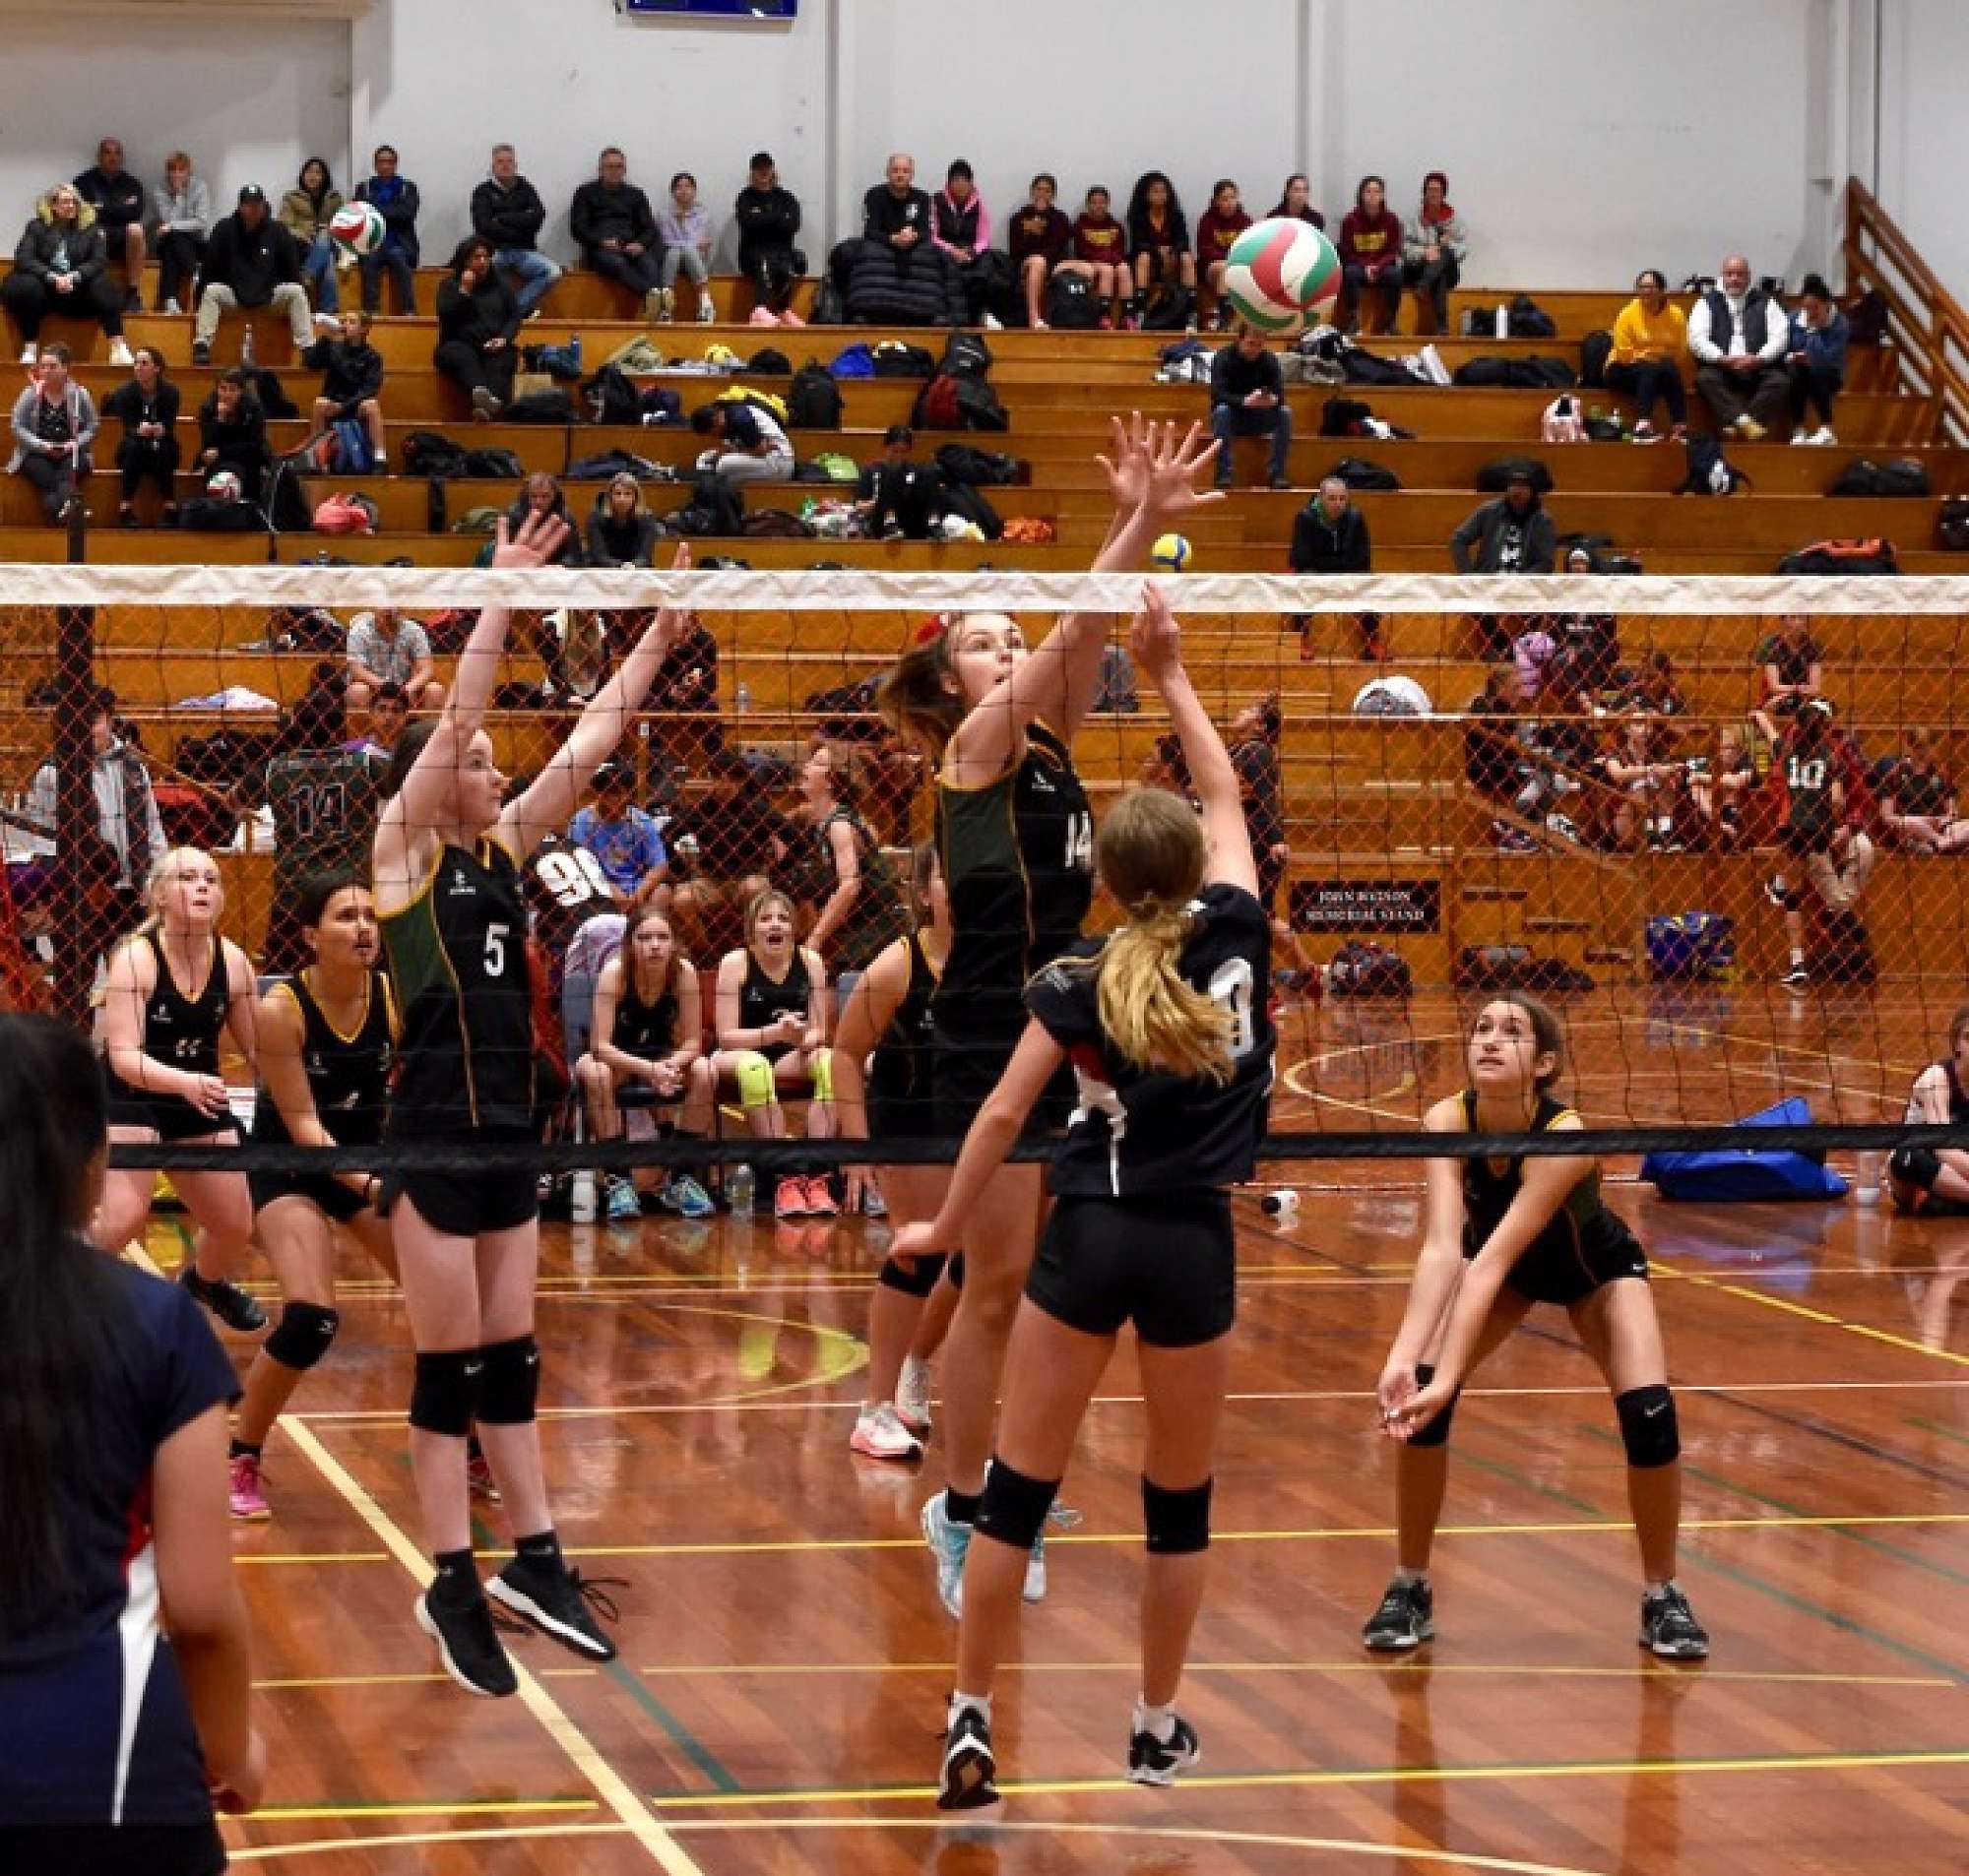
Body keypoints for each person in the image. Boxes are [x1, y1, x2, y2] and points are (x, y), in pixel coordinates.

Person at [901, 583, 1276, 1808]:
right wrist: (1168, 672)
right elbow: (1226, 798)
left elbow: (998, 1117)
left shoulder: (1077, 973)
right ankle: (1154, 1726)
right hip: (1191, 1246)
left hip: (1091, 1232)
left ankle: (968, 1716)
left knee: (1014, 1497)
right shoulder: (1237, 933)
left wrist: (938, 1228)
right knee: (1177, 1506)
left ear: (1103, 880)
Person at [878, 415, 1221, 1619]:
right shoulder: (971, 752)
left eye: (1009, 636)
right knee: (995, 1285)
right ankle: (962, 1500)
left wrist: (1136, 520)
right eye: (984, 642)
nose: (1006, 649)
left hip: (1061, 1026)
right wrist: (1140, 519)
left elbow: (1081, 634)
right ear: (951, 681)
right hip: (980, 1038)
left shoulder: (1049, 753)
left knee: (1029, 1285)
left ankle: (998, 1482)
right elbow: (1076, 625)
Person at [370, 519, 695, 1696]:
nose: (497, 770)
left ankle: (536, 1558)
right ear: (433, 775)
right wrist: (498, 596)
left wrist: (657, 639)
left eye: (496, 762)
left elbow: (595, 732)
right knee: (449, 1367)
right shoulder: (402, 853)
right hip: (434, 1137)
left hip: (513, 1133)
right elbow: (460, 709)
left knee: (512, 1361)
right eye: (477, 760)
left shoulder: (503, 852)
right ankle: (450, 1578)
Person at [1366, 994, 1710, 1661]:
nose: (1491, 1040)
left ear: (1545, 1063)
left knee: (1650, 1414)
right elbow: (1443, 1249)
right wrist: (1404, 1358)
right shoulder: (1446, 1120)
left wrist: (1450, 1376)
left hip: (1595, 1273)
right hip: (1510, 1275)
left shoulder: (1564, 1136)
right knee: (1423, 1402)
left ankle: (1662, 1594)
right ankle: (1410, 1585)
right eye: (1481, 1029)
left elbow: (1489, 1263)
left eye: (1512, 1032)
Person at [0, 1012, 262, 1876]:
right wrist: (232, 1750)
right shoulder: (159, 1325)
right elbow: (201, 1606)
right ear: (93, 1164)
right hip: (106, 1777)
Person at [228, 874, 401, 1521]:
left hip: (365, 1160)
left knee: (450, 1304)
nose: (364, 928)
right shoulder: (282, 1010)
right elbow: (304, 1127)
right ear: (310, 935)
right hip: (290, 1167)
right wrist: (377, 1184)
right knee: (311, 1318)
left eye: (369, 916)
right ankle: (242, 1453)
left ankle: (467, 1444)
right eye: (345, 917)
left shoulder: (393, 996)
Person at [91, 847, 263, 1334]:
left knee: (234, 1225)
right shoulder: (136, 958)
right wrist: (185, 1083)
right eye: (187, 877)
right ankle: (50, 1286)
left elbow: (261, 1051)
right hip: (132, 1096)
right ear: (160, 895)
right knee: (122, 1221)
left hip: (196, 1097)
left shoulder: (234, 962)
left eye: (211, 879)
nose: (202, 886)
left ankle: (203, 1283)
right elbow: (124, 1058)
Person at [835, 843, 953, 1458]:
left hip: (981, 1128)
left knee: (982, 1263)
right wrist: (859, 1147)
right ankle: (874, 1409)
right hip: (911, 1126)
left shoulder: (1004, 961)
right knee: (917, 1255)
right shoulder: (896, 967)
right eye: (948, 876)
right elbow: (845, 1054)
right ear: (925, 890)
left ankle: (918, 1362)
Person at [573, 906, 717, 1223]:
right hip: (614, 1058)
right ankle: (618, 1182)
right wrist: (649, 1071)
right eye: (645, 937)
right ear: (629, 943)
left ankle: (680, 1178)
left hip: (662, 1056)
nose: (654, 945)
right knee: (596, 1073)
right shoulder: (615, 973)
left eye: (662, 937)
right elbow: (600, 1046)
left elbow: (693, 1043)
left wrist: (669, 1067)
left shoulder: (683, 973)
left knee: (705, 1071)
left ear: (674, 943)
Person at [711, 888, 836, 1220]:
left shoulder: (811, 962)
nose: (775, 924)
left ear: (794, 928)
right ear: (752, 930)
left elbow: (820, 1031)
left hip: (789, 1055)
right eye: (766, 919)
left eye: (783, 918)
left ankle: (817, 1174)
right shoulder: (735, 963)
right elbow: (726, 1037)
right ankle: (783, 1177)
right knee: (755, 1069)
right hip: (739, 1054)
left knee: (829, 1062)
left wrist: (803, 1038)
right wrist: (774, 1033)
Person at [25, 685, 164, 923]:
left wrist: (158, 882)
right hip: (81, 892)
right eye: (76, 722)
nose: (85, 731)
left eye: (93, 721)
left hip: (134, 889)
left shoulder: (133, 767)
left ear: (110, 720)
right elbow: (44, 842)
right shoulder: (52, 773)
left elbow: (153, 830)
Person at [1762, 699, 1874, 989]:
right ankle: (1855, 937)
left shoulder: (1787, 751)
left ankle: (1797, 963)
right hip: (1820, 831)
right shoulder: (1832, 758)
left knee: (1792, 897)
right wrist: (1832, 820)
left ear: (1797, 728)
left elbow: (1767, 726)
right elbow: (1837, 801)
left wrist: (1763, 712)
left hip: (1793, 828)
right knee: (1826, 891)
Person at [794, 737, 907, 997]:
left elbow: (850, 884)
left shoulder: (839, 825)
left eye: (816, 762)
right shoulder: (827, 819)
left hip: (880, 924)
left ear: (831, 780)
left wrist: (816, 937)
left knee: (837, 994)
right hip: (865, 924)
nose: (806, 766)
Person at [665, 744, 793, 960]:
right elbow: (666, 837)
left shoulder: (757, 809)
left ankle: (752, 950)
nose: (723, 785)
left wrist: (778, 872)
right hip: (710, 880)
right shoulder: (700, 810)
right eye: (718, 778)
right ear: (710, 779)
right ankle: (704, 951)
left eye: (730, 779)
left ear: (740, 782)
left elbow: (796, 839)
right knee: (682, 899)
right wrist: (682, 871)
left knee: (756, 889)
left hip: (749, 877)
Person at [4, 181, 129, 366]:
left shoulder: (92, 228)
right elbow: (24, 258)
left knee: (104, 285)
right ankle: (30, 347)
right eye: (65, 202)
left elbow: (99, 261)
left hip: (76, 291)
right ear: (53, 205)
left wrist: (74, 276)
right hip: (43, 290)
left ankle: (118, 347)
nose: (71, 206)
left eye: (74, 202)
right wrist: (51, 277)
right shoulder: (36, 226)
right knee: (26, 285)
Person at [192, 185, 310, 367]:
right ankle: (202, 346)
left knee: (296, 291)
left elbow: (292, 269)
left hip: (269, 297)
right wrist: (197, 301)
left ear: (263, 206)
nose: (253, 209)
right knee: (211, 291)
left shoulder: (278, 230)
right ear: (240, 206)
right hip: (234, 297)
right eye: (248, 204)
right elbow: (209, 267)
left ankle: (308, 349)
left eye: (257, 204)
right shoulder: (223, 229)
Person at [1688, 253, 1789, 441]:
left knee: (1780, 381)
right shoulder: (1706, 302)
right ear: (1722, 276)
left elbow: (1780, 336)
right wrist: (1721, 358)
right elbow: (1697, 339)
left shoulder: (1766, 301)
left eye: (1740, 274)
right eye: (1730, 274)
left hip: (1757, 366)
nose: (1734, 279)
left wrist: (1759, 358)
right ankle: (1746, 423)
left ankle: (1738, 423)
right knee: (1705, 378)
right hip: (1721, 366)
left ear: (1748, 276)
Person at [1289, 472, 1381, 658]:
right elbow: (1301, 558)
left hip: (1346, 572)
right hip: (1315, 572)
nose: (1337, 503)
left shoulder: (1355, 518)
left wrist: (1339, 568)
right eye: (1332, 498)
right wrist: (1337, 565)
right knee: (1304, 580)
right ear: (1321, 497)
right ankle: (1300, 640)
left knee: (1367, 581)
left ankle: (1373, 641)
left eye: (1342, 498)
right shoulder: (1305, 518)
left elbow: (1363, 558)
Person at [1889, 1004, 1969, 1215]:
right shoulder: (1936, 1078)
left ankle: (1951, 1199)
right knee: (1907, 1158)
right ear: (1956, 1043)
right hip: (1924, 1166)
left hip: (1959, 1170)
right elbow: (1943, 1148)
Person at [432, 235, 521, 421]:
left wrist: (504, 338)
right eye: (476, 257)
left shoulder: (501, 285)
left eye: (486, 257)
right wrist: (464, 291)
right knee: (460, 354)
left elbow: (514, 316)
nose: (482, 262)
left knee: (504, 356)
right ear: (465, 260)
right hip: (458, 343)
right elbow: (448, 318)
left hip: (492, 344)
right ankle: (481, 393)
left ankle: (487, 407)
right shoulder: (449, 285)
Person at [7, 344, 97, 523]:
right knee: (47, 476)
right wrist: (41, 445)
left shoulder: (79, 394)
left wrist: (75, 443)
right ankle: (73, 509)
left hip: (71, 451)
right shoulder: (30, 394)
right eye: (43, 366)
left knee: (65, 474)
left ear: (65, 368)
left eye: (52, 366)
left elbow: (92, 426)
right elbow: (17, 426)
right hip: (36, 452)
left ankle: (61, 513)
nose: (46, 371)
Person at [572, 148, 664, 323]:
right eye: (609, 166)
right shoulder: (585, 193)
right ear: (600, 170)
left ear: (625, 170)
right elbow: (578, 229)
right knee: (618, 263)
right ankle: (655, 300)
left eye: (619, 166)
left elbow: (649, 227)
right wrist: (601, 242)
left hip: (631, 245)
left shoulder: (636, 194)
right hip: (600, 249)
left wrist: (641, 244)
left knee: (649, 264)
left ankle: (656, 307)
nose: (614, 171)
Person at [471, 144, 561, 320]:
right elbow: (483, 226)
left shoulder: (527, 189)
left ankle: (514, 310)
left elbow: (537, 218)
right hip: (494, 251)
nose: (505, 165)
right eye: (500, 162)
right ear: (493, 166)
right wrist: (520, 223)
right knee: (476, 271)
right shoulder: (482, 192)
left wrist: (501, 218)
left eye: (509, 161)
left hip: (524, 251)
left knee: (553, 272)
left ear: (516, 165)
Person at [569, 760, 668, 910]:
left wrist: (642, 890)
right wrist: (610, 889)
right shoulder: (582, 822)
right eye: (614, 793)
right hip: (598, 885)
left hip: (637, 884)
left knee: (663, 892)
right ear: (600, 793)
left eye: (625, 792)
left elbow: (659, 864)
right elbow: (581, 866)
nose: (622, 798)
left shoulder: (641, 820)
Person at [101, 343, 181, 526]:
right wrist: (139, 430)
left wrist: (161, 429)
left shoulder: (171, 393)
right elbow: (128, 427)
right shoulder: (124, 393)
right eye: (136, 363)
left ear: (157, 368)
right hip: (134, 446)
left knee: (163, 448)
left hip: (162, 445)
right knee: (134, 447)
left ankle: (170, 507)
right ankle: (125, 508)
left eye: (144, 363)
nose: (138, 367)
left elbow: (169, 425)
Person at [1207, 324, 1292, 490]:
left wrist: (1272, 400)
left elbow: (1280, 395)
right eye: (1251, 343)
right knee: (1222, 411)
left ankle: (1278, 474)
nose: (1255, 349)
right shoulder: (1223, 357)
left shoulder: (1269, 360)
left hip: (1259, 416)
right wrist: (1244, 401)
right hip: (1232, 418)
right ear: (1240, 339)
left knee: (1284, 413)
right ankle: (1223, 474)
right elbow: (1218, 394)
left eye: (1260, 345)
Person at [1607, 269, 1688, 439]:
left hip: (1658, 369)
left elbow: (1680, 352)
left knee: (1669, 368)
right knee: (1650, 368)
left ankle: (1679, 426)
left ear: (1662, 290)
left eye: (1651, 287)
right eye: (1642, 287)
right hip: (1622, 368)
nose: (1646, 291)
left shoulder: (1676, 315)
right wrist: (1650, 356)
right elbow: (1623, 353)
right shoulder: (1627, 314)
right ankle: (1643, 424)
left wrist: (1653, 357)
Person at [73, 137, 148, 312]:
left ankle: (133, 293)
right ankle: (92, 291)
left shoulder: (132, 184)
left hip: (123, 240)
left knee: (136, 229)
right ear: (99, 156)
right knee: (95, 230)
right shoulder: (83, 182)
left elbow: (135, 213)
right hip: (95, 238)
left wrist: (101, 208)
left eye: (117, 153)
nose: (112, 157)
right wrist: (120, 207)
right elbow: (81, 214)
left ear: (122, 157)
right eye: (107, 152)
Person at [304, 306, 386, 465]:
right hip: (333, 402)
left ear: (364, 329)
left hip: (355, 405)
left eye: (352, 322)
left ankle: (380, 458)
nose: (346, 325)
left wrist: (344, 406)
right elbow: (311, 364)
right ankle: (316, 457)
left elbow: (370, 388)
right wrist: (326, 338)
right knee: (319, 404)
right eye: (344, 321)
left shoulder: (373, 357)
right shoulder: (333, 347)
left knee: (372, 405)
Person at [351, 145, 419, 315]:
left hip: (400, 243)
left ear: (395, 164)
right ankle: (371, 313)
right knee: (369, 260)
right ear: (375, 165)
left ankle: (409, 312)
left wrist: (375, 208)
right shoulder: (364, 188)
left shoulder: (407, 187)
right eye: (381, 161)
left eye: (390, 162)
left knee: (398, 257)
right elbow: (361, 215)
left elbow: (407, 214)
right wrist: (392, 210)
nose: (385, 166)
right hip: (372, 242)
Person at [1449, 469, 1556, 577]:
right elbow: (1458, 539)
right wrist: (1469, 574)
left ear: (1533, 492)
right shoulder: (1490, 511)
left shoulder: (1542, 520)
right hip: (1489, 580)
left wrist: (1521, 580)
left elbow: (1546, 562)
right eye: (1513, 485)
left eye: (1523, 486)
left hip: (1524, 582)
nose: (1517, 491)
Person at [931, 159, 1000, 328]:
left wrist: (972, 252)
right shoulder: (936, 201)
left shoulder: (978, 204)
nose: (960, 186)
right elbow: (932, 236)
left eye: (965, 181)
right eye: (956, 181)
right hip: (944, 251)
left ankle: (981, 315)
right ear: (949, 183)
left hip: (970, 252)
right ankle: (948, 317)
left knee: (988, 263)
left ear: (970, 183)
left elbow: (983, 238)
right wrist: (952, 251)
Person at [1880, 727, 1969, 854]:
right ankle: (1942, 842)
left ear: (1933, 747)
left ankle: (1941, 843)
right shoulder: (1896, 774)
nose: (1922, 752)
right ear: (1909, 747)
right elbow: (1887, 816)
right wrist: (1921, 820)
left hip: (1940, 826)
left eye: (1927, 747)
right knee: (1910, 822)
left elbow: (1953, 812)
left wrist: (1940, 820)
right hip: (1911, 828)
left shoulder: (1941, 773)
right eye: (1918, 747)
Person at [734, 151, 802, 313]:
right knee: (766, 259)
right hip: (752, 254)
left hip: (781, 252)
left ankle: (783, 311)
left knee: (792, 262)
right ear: (753, 172)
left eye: (767, 167)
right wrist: (778, 217)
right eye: (759, 169)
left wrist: (762, 218)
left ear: (773, 170)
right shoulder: (745, 197)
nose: (763, 172)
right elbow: (747, 223)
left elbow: (792, 225)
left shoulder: (787, 197)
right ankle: (760, 309)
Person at [1401, 171, 1467, 336]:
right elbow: (1403, 247)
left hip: (1447, 269)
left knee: (1445, 253)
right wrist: (1424, 252)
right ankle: (1442, 325)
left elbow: (1463, 250)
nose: (1433, 194)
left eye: (1437, 190)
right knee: (1439, 275)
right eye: (1430, 189)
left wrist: (1447, 244)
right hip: (1417, 269)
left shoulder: (1454, 220)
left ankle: (1425, 284)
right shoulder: (1412, 218)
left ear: (1444, 193)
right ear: (1424, 192)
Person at [1787, 272, 1848, 445]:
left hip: (1830, 373)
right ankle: (1798, 428)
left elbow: (1830, 357)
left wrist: (1815, 331)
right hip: (1799, 369)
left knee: (1816, 370)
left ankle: (1827, 428)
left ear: (1826, 304)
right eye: (1806, 308)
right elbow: (1786, 347)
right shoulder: (1793, 319)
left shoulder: (1839, 323)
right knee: (1795, 374)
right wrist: (1794, 356)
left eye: (1815, 307)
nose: (1810, 312)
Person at [1335, 176, 1402, 336]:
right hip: (1358, 266)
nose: (1372, 195)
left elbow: (1393, 250)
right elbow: (1346, 250)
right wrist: (1365, 266)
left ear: (1382, 195)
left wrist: (1378, 267)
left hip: (1383, 266)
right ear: (1361, 194)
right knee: (1349, 273)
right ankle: (1353, 319)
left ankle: (1390, 321)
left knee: (1395, 275)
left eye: (1377, 191)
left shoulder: (1391, 220)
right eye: (1368, 191)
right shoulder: (1350, 220)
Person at [1125, 171, 1193, 324]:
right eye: (1155, 191)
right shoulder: (1138, 216)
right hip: (1149, 260)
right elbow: (1138, 243)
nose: (1160, 195)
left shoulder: (1175, 215)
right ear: (1145, 195)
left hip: (1171, 259)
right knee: (1143, 257)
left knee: (1187, 257)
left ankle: (1191, 312)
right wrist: (1157, 252)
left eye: (1163, 191)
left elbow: (1183, 240)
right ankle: (1140, 312)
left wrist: (1172, 251)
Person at [279, 157, 345, 316]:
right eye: (309, 172)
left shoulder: (334, 198)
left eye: (318, 172)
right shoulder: (292, 197)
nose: (313, 176)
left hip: (329, 242)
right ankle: (328, 312)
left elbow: (344, 225)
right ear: (302, 175)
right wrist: (303, 234)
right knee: (328, 262)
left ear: (324, 177)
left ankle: (307, 277)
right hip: (303, 245)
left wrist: (330, 229)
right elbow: (284, 226)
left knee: (324, 235)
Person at [195, 367, 271, 505]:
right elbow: (209, 443)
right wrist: (220, 420)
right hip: (219, 460)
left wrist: (221, 452)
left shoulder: (254, 409)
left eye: (232, 389)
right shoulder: (208, 409)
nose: (227, 394)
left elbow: (254, 444)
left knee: (248, 466)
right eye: (223, 389)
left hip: (247, 458)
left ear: (241, 391)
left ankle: (248, 508)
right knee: (215, 467)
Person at [1750, 611, 1824, 749]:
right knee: (1767, 709)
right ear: (1783, 620)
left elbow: (1815, 688)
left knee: (1822, 709)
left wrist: (1794, 691)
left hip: (1803, 699)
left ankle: (1806, 751)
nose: (1797, 622)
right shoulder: (1771, 645)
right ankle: (1780, 746)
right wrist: (1798, 689)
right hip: (1776, 699)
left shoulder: (1812, 645)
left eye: (1801, 617)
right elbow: (1774, 687)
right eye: (1792, 618)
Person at [857, 424, 945, 539]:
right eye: (894, 450)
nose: (898, 456)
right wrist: (881, 502)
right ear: (885, 447)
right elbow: (860, 507)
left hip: (910, 520)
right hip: (880, 518)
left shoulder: (916, 471)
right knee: (892, 473)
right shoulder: (871, 470)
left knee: (930, 472)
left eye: (903, 451)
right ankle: (890, 522)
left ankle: (933, 522)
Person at [346, 606, 442, 712]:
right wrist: (385, 686)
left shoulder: (414, 630)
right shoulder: (359, 631)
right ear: (372, 608)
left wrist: (409, 688)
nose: (388, 609)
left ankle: (424, 722)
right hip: (374, 688)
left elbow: (427, 670)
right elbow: (357, 670)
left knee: (435, 690)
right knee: (358, 691)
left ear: (401, 608)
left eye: (393, 604)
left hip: (408, 689)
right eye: (383, 604)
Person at [151, 151, 211, 315]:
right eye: (173, 170)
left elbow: (201, 222)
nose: (177, 174)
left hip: (196, 242)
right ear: (167, 172)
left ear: (189, 171)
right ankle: (193, 272)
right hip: (171, 242)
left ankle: (170, 298)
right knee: (173, 239)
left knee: (172, 240)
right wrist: (178, 194)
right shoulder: (160, 189)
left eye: (181, 170)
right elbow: (167, 218)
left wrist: (172, 226)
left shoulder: (200, 187)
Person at [1010, 173, 1071, 329]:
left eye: (1047, 191)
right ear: (1032, 192)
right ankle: (1034, 318)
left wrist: (1045, 216)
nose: (1042, 194)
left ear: (1053, 195)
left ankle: (1080, 319)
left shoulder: (1060, 218)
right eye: (1039, 189)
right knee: (1038, 262)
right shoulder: (1019, 217)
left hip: (1054, 262)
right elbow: (1016, 250)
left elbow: (1060, 246)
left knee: (1088, 269)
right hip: (1026, 262)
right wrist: (1032, 233)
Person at [656, 171, 717, 324]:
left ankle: (705, 302)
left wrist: (683, 224)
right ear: (672, 192)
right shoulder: (663, 215)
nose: (683, 190)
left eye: (688, 186)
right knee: (674, 253)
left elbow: (703, 243)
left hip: (696, 260)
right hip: (672, 261)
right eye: (679, 187)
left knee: (688, 250)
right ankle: (666, 304)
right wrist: (691, 241)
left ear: (694, 190)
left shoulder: (703, 214)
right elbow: (666, 241)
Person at [691, 396, 794, 485]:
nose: (714, 436)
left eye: (713, 433)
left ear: (715, 422)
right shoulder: (726, 417)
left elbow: (760, 450)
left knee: (723, 464)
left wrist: (734, 451)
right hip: (761, 456)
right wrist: (723, 453)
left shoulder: (741, 419)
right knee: (706, 457)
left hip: (778, 462)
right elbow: (733, 447)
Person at [1065, 183, 1128, 325]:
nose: (1098, 206)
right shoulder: (1080, 225)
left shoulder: (1116, 226)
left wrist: (1110, 258)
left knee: (1124, 268)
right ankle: (1104, 316)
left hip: (1111, 261)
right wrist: (1105, 258)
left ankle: (1127, 315)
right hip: (1089, 263)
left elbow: (1119, 251)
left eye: (1102, 202)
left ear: (1108, 204)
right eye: (1094, 202)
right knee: (1107, 270)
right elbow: (1083, 251)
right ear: (1088, 205)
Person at [1194, 179, 1251, 332]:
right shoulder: (1207, 220)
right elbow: (1205, 249)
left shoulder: (1245, 221)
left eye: (1232, 197)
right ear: (1216, 201)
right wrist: (1228, 259)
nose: (1229, 203)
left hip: (1238, 266)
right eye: (1225, 199)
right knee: (1224, 268)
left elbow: (1250, 249)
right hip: (1212, 267)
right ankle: (1225, 317)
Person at [506, 469, 582, 566]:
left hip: (555, 569)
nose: (539, 502)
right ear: (526, 495)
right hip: (521, 568)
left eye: (545, 496)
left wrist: (558, 566)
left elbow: (574, 556)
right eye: (533, 496)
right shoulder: (513, 516)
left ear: (554, 496)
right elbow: (506, 554)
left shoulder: (565, 517)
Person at [587, 470, 662, 566]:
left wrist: (631, 567)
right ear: (610, 496)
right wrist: (621, 566)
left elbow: (644, 556)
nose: (622, 499)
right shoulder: (596, 517)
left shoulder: (647, 518)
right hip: (604, 569)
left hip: (636, 569)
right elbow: (599, 555)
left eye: (627, 494)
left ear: (635, 497)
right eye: (618, 493)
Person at [345, 680, 409, 760]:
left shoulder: (417, 751)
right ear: (371, 714)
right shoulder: (354, 749)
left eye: (395, 710)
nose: (388, 717)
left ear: (405, 716)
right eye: (382, 709)